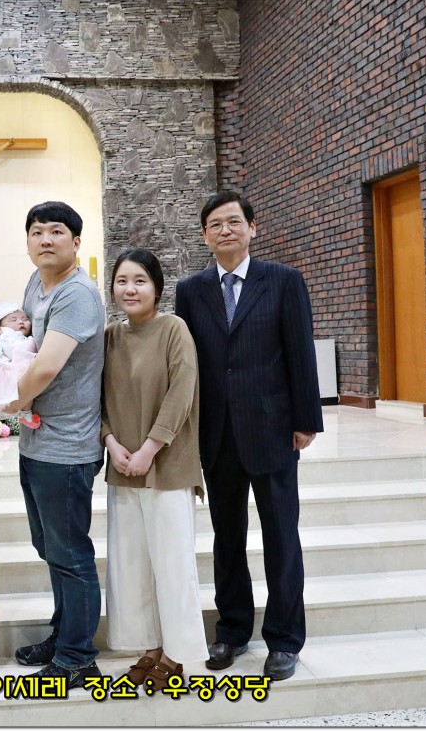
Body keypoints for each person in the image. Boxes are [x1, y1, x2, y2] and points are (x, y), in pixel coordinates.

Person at [174, 191, 324, 681]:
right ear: (205, 236)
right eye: (215, 224)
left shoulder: (283, 281)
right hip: (217, 433)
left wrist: (306, 420)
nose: (226, 230)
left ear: (252, 228)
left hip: (272, 428)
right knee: (227, 537)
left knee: (282, 536)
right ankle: (233, 631)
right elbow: (188, 364)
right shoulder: (190, 291)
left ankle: (285, 639)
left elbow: (300, 351)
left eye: (234, 222)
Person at [0, 200, 105, 689]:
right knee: (50, 547)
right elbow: (26, 331)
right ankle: (64, 634)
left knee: (70, 553)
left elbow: (48, 365)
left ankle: (78, 656)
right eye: (37, 232)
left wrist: (5, 405)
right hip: (38, 441)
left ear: (76, 242)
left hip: (67, 446)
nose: (46, 239)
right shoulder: (38, 282)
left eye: (56, 231)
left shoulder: (77, 294)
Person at [101, 248, 209, 690]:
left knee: (172, 564)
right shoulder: (110, 336)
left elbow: (182, 392)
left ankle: (177, 654)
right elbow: (97, 398)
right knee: (133, 566)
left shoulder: (173, 329)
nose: (130, 289)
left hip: (165, 465)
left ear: (157, 288)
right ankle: (149, 647)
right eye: (122, 281)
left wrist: (149, 448)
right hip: (123, 466)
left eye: (139, 280)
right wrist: (110, 442)